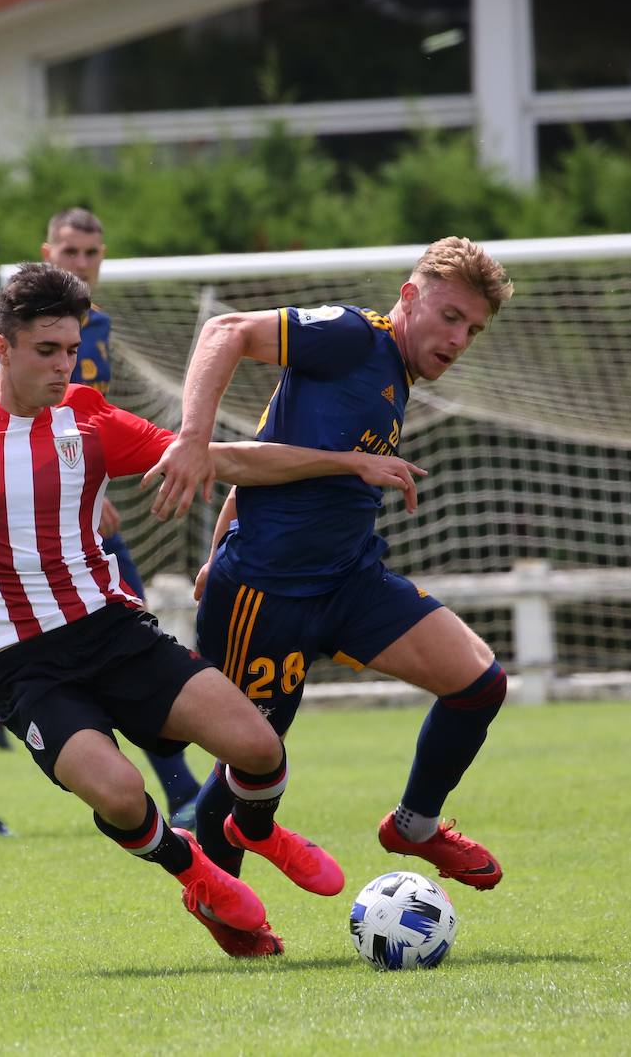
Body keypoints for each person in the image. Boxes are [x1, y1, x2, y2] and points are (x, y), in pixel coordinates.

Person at [0, 263, 426, 956]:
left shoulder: (88, 417)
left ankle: (254, 830)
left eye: (71, 349)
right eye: (46, 350)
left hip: (114, 632)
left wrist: (346, 463)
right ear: (3, 348)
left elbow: (223, 459)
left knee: (260, 746)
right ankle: (193, 871)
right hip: (26, 665)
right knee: (118, 791)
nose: (64, 366)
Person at [145, 237, 514, 950]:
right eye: (449, 316)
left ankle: (414, 825)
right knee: (250, 759)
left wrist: (221, 527)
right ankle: (222, 905)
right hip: (266, 594)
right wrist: (192, 438)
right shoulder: (350, 336)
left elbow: (268, 441)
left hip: (350, 578)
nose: (458, 339)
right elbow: (224, 332)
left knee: (479, 681)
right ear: (408, 298)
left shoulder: (395, 375)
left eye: (472, 328)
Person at [0, 207, 200, 838]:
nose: (81, 261)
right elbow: (2, 396)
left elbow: (91, 420)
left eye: (91, 252)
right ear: (47, 252)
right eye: (69, 250)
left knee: (113, 635)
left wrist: (91, 485)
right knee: (16, 654)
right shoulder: (29, 330)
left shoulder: (98, 327)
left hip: (75, 508)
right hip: (27, 511)